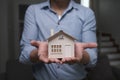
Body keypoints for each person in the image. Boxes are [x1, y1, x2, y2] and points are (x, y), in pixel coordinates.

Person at [19, 0, 97, 80]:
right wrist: (37, 53)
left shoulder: (87, 13)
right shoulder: (33, 11)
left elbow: (92, 58)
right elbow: (24, 56)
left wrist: (82, 55)